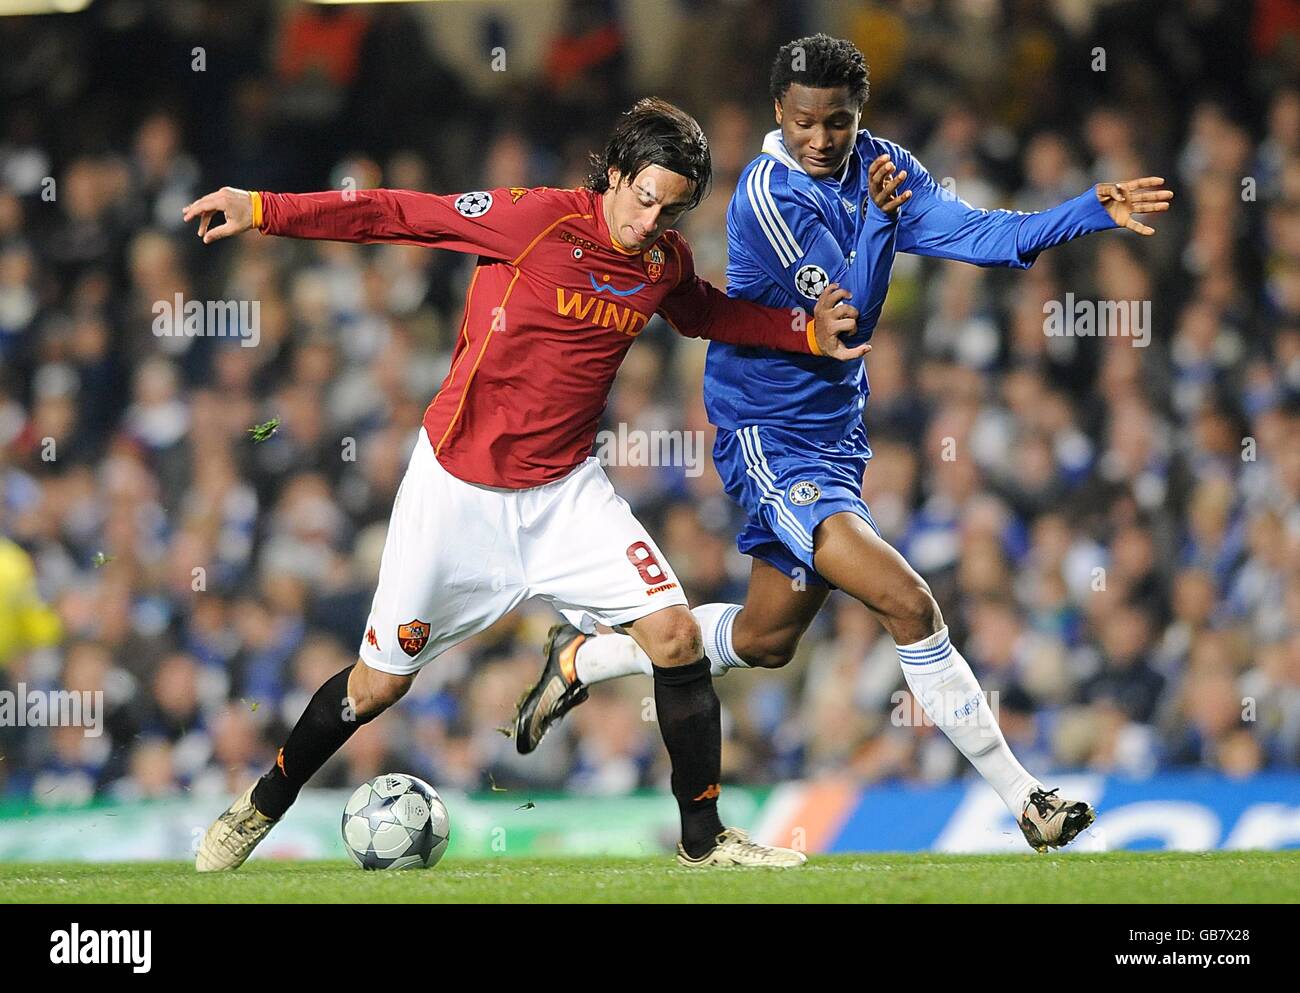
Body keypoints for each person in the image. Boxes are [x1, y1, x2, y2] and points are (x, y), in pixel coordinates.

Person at [514, 37, 1173, 853]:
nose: (821, 139)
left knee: (764, 639)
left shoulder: (882, 165)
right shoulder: (765, 197)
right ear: (777, 114)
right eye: (803, 121)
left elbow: (989, 238)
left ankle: (584, 659)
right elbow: (843, 321)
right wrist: (882, 220)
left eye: (839, 122)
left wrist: (1085, 210)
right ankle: (1028, 798)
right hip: (766, 436)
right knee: (910, 602)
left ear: (860, 116)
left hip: (835, 441)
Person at [187, 97, 869, 871]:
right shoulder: (533, 220)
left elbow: (701, 309)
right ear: (613, 175)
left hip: (564, 494)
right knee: (375, 688)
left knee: (676, 638)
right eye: (644, 197)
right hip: (456, 491)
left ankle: (704, 838)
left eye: (671, 210)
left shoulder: (661, 261)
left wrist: (801, 331)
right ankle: (258, 808)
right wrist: (262, 207)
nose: (651, 222)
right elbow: (396, 213)